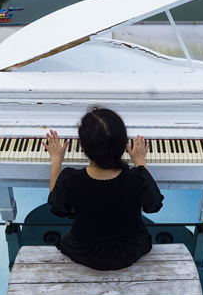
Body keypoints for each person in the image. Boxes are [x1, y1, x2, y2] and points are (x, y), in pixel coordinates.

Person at [43, 107, 164, 271]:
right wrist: (140, 161)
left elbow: (57, 207)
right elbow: (153, 205)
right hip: (128, 251)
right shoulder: (137, 178)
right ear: (123, 147)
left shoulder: (70, 179)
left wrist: (56, 159)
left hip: (86, 252)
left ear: (84, 150)